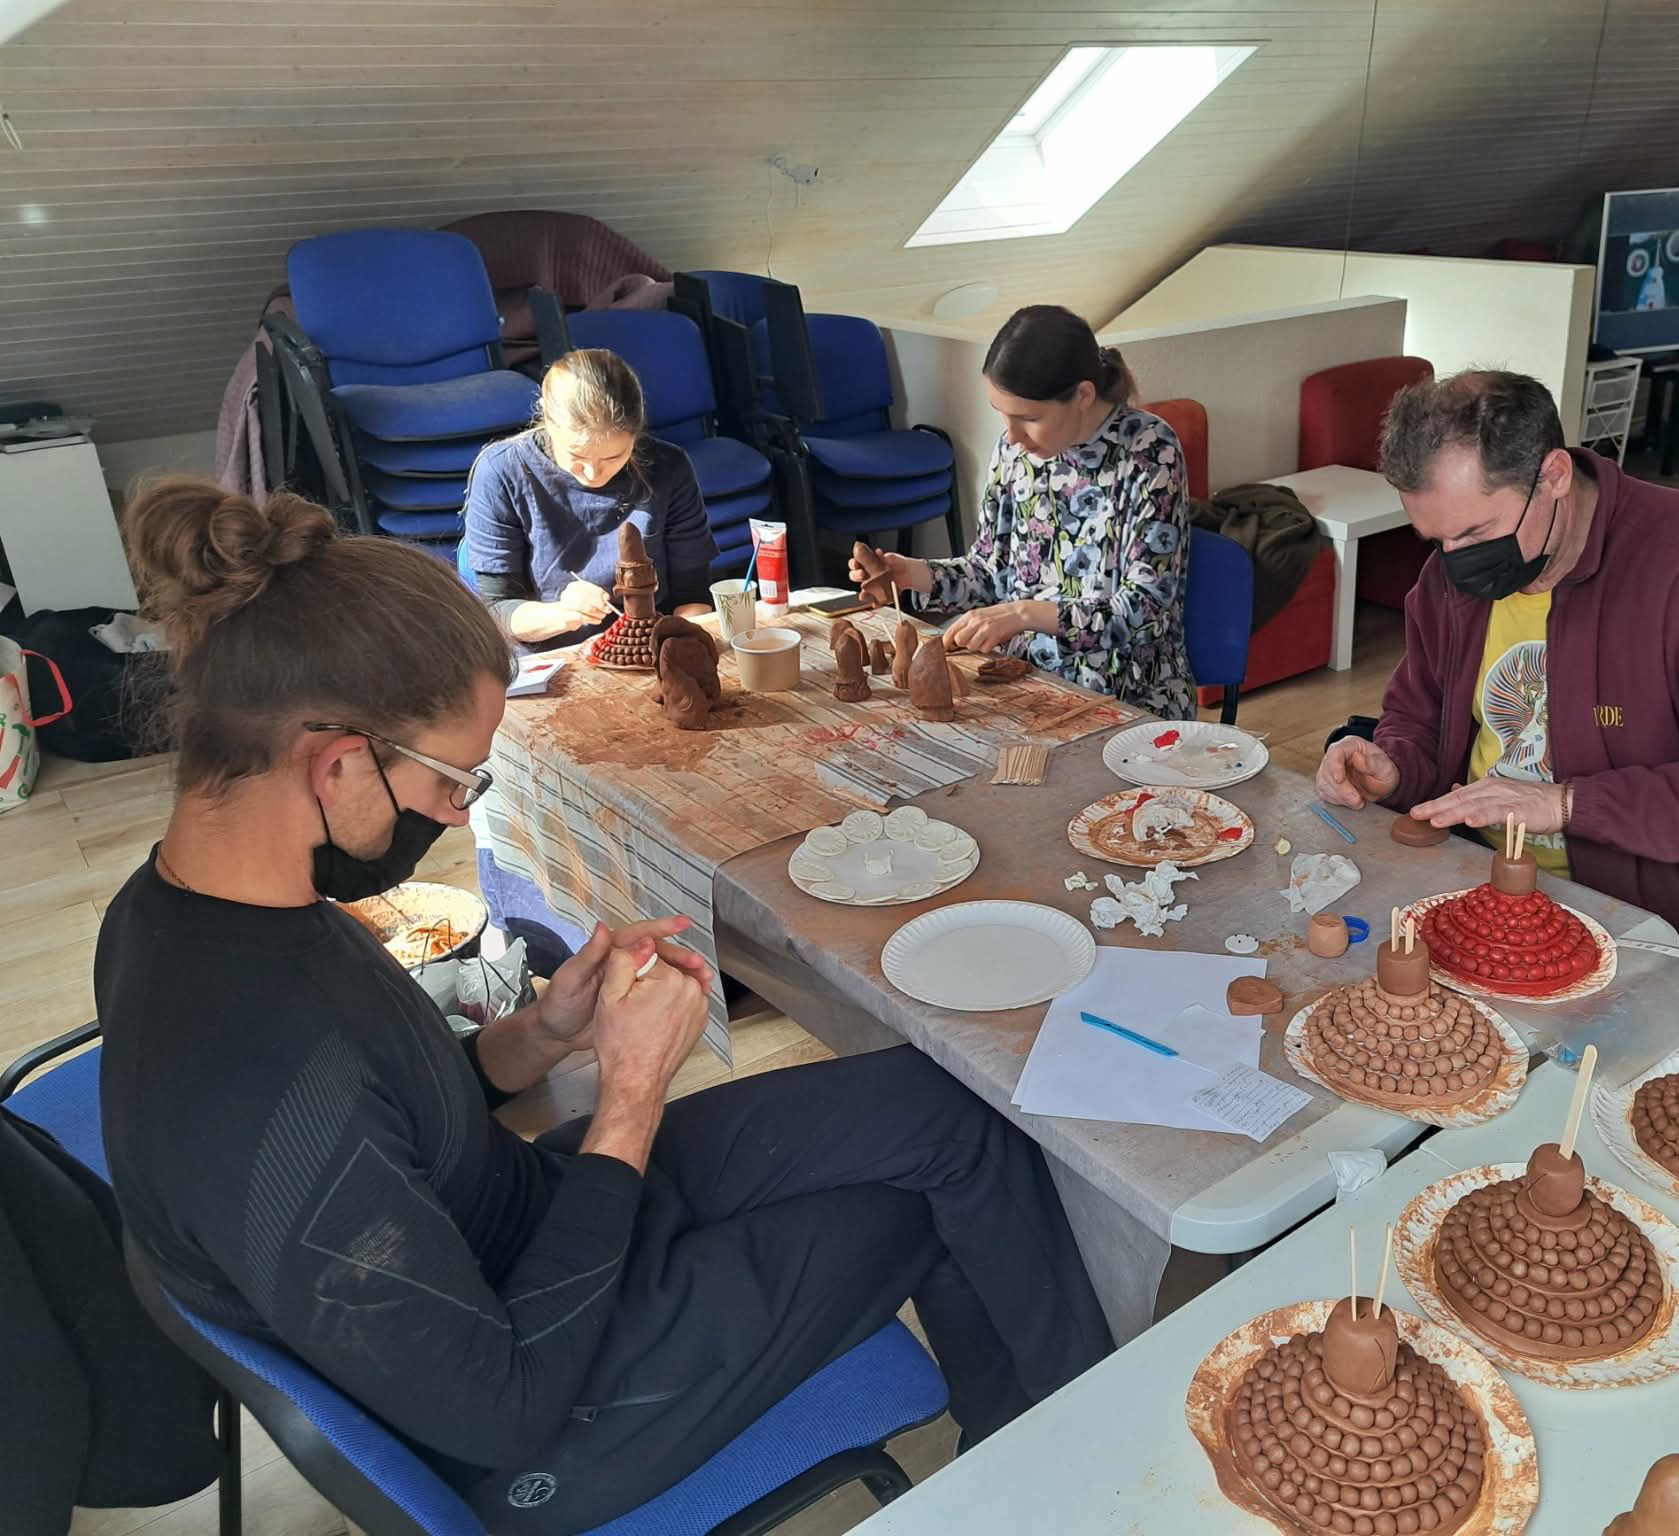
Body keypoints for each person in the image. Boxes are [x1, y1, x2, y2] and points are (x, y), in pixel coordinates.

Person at [97, 479, 1113, 1534]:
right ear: (340, 763)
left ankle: (1051, 1437)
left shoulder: (196, 907)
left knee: (948, 1113)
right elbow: (499, 1407)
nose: (460, 816)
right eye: (455, 784)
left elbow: (386, 1113)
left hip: (529, 1223)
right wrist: (629, 1097)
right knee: (928, 1204)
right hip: (541, 1400)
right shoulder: (245, 1080)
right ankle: (1080, 1469)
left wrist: (541, 1033)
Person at [1314, 370, 1679, 948]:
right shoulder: (1454, 575)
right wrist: (1392, 765)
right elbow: (1419, 717)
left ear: (1554, 476)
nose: (1455, 560)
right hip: (1477, 882)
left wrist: (1569, 805)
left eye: (1476, 533)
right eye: (1436, 540)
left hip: (1647, 920)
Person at [848, 304, 1195, 719]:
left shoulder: (1150, 452)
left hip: (1126, 694)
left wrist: (1024, 613)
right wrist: (913, 575)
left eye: (1028, 418)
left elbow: (1145, 612)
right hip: (1024, 678)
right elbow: (991, 572)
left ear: (1083, 396)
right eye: (1002, 414)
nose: (1011, 436)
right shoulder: (1016, 453)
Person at [461, 348, 714, 649]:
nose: (594, 473)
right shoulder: (503, 471)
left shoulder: (669, 467)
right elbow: (497, 611)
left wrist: (683, 645)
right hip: (553, 652)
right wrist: (561, 613)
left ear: (636, 434)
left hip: (652, 645)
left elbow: (692, 595)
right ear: (547, 420)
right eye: (577, 456)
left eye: (614, 456)